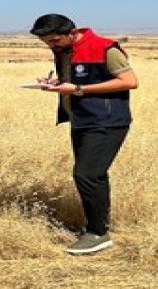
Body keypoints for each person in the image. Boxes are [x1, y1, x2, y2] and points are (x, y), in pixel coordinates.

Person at [30, 13, 137, 255]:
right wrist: (58, 82)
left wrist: (78, 88)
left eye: (55, 40)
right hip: (82, 120)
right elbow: (81, 77)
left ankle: (98, 233)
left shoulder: (105, 47)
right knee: (94, 175)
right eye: (46, 42)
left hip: (106, 121)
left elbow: (130, 81)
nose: (51, 45)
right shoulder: (64, 49)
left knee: (86, 175)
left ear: (71, 32)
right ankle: (98, 225)